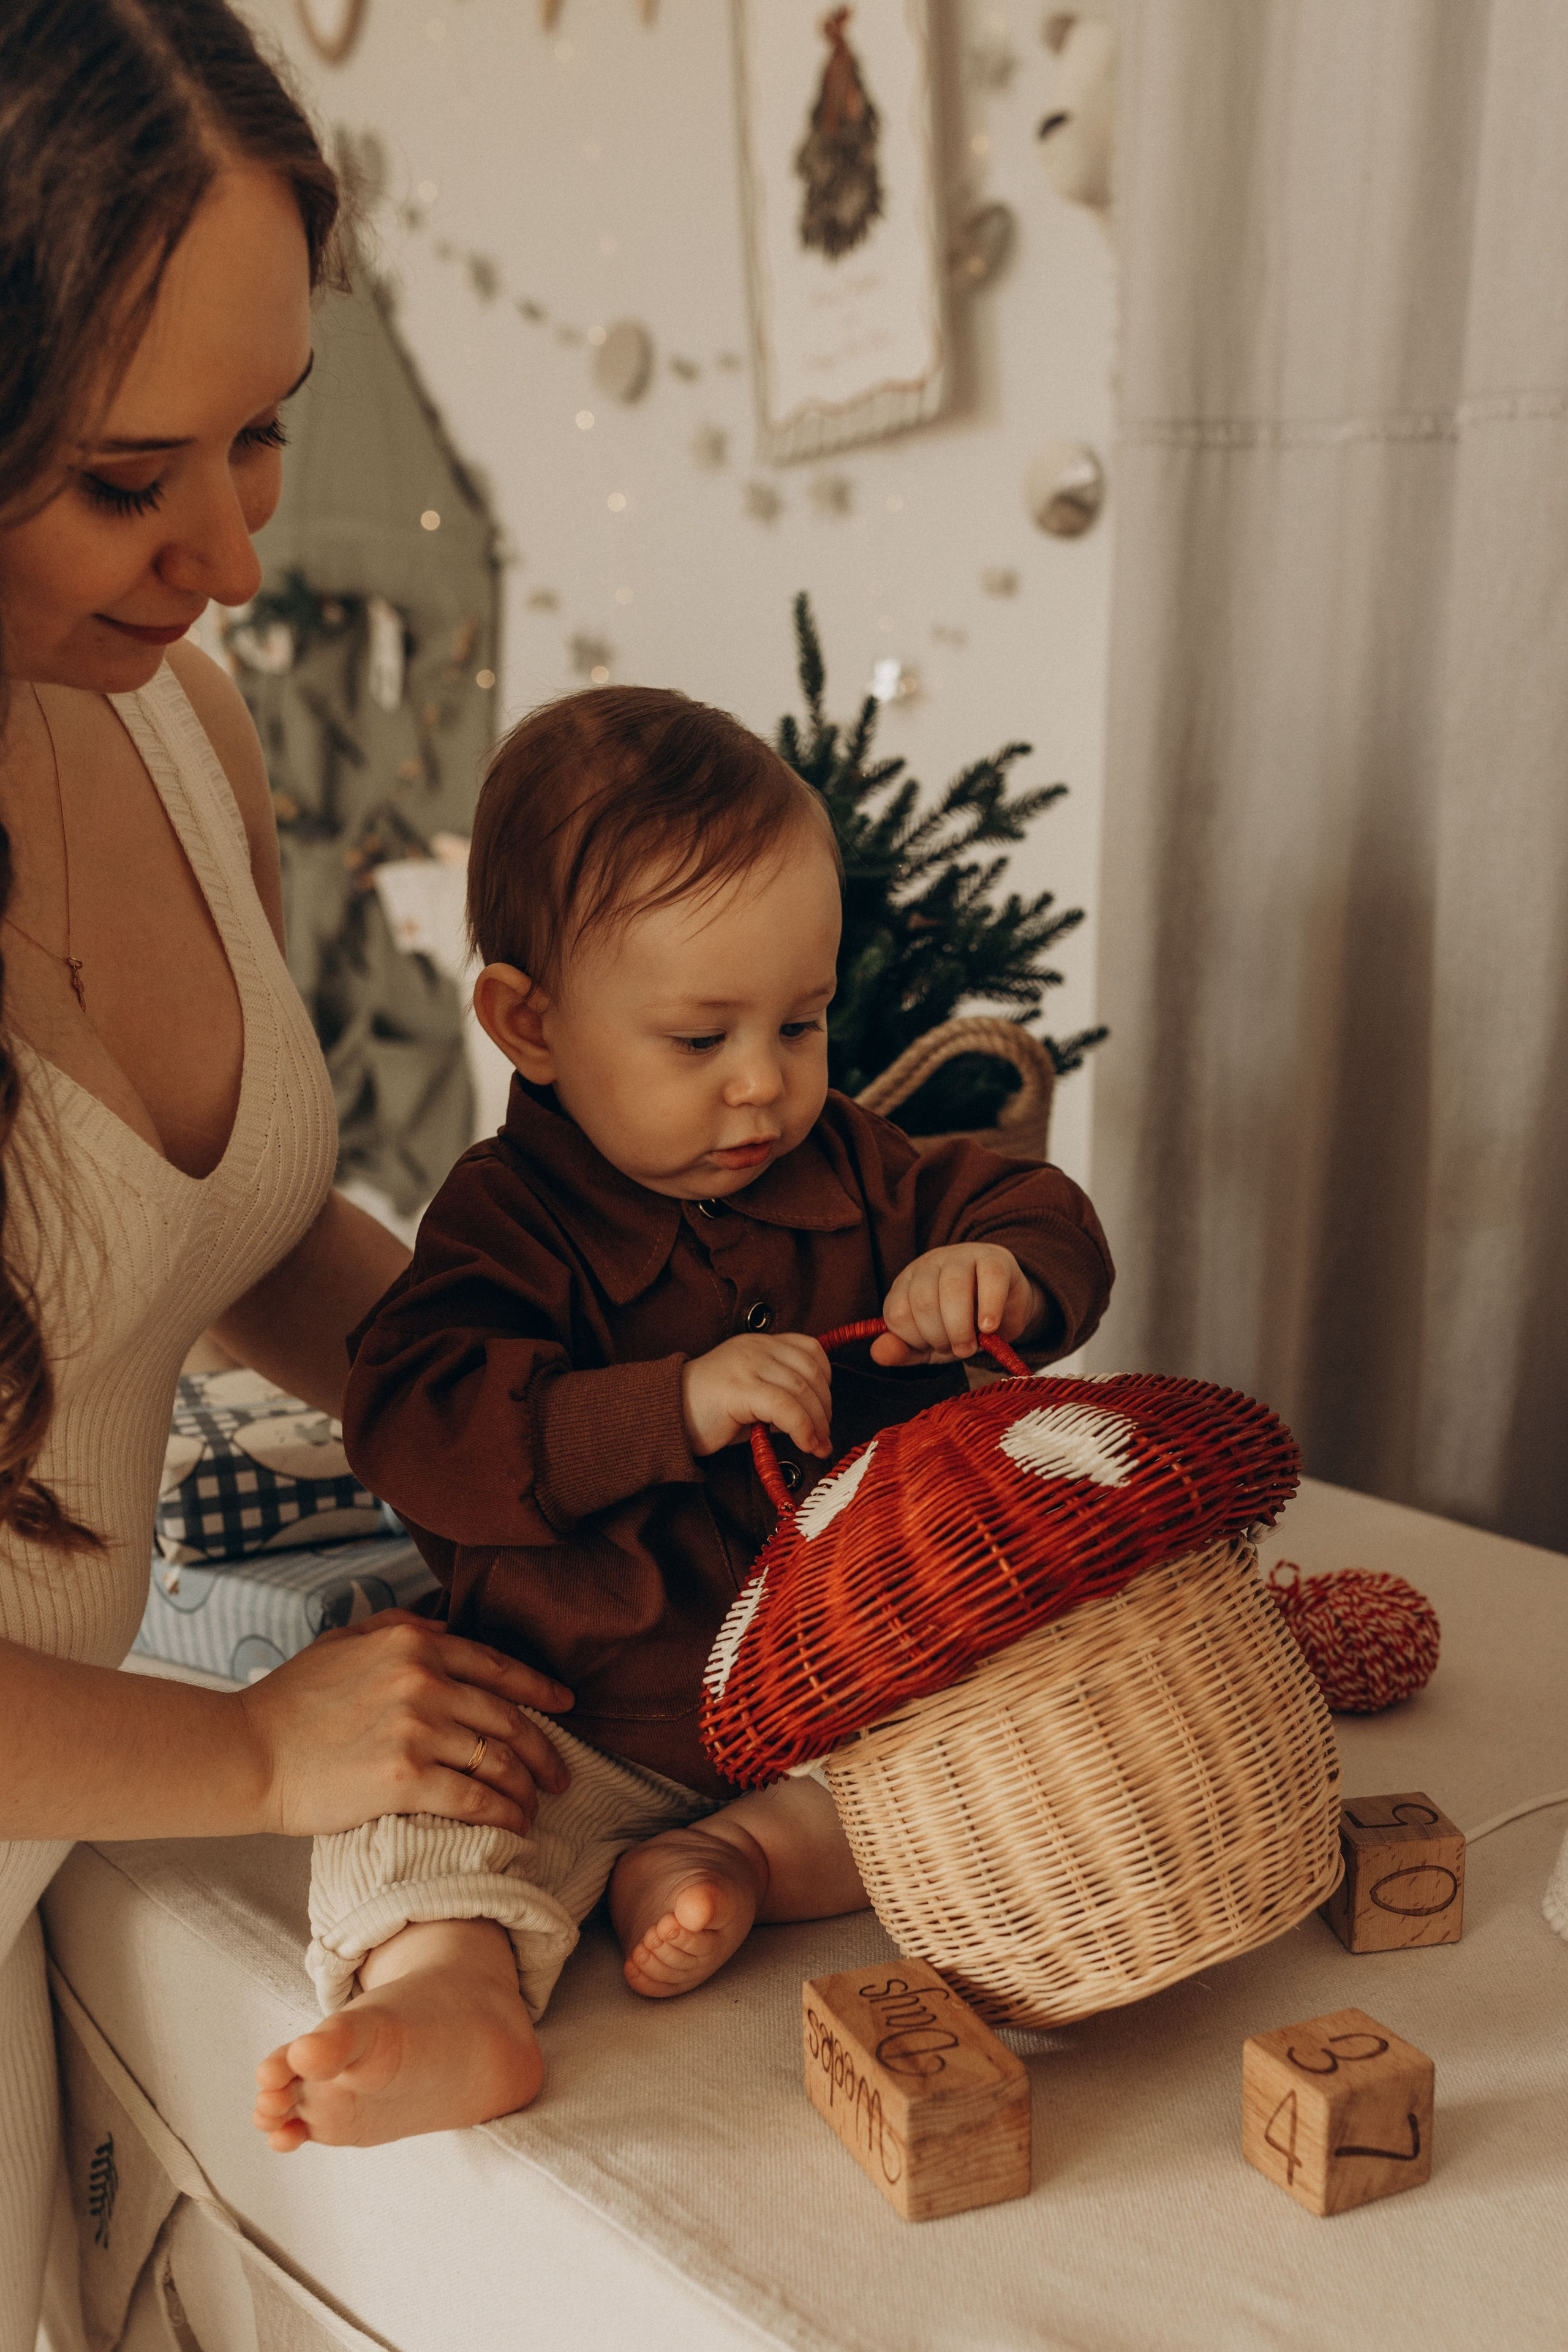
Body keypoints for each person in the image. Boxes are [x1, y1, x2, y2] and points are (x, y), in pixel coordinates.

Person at [0, 7, 574, 2343]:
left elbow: (231, 1244)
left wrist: (564, 1402)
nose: (232, 558)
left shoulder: (172, 712)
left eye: (262, 440)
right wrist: (256, 1740)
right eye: (134, 479)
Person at [252, 687, 1115, 2152]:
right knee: (420, 1816)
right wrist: (672, 1403)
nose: (764, 1083)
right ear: (530, 1023)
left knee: (997, 1750)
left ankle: (747, 1864)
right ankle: (454, 1997)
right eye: (699, 1036)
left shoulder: (855, 1164)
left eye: (800, 1019)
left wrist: (1001, 1271)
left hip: (838, 1696)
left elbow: (1028, 1207)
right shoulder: (505, 1219)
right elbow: (417, 1422)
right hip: (582, 1712)